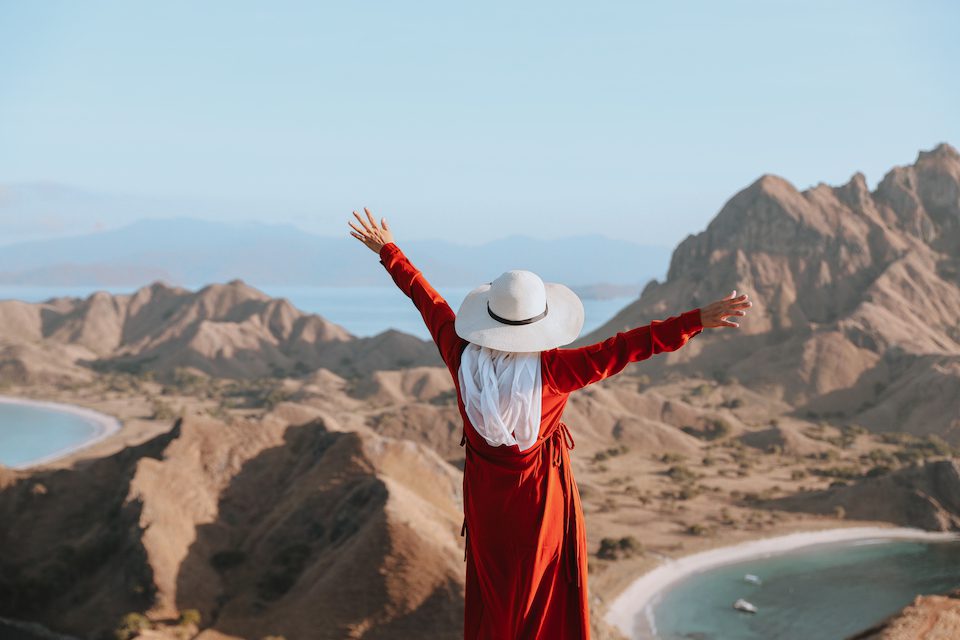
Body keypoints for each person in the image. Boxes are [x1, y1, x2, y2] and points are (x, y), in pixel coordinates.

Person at [348, 208, 752, 639]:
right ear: (539, 324)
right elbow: (628, 347)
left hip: (487, 507)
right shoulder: (555, 371)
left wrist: (389, 249)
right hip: (541, 504)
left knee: (497, 591)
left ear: (488, 318)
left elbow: (426, 300)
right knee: (542, 595)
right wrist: (694, 321)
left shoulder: (461, 356)